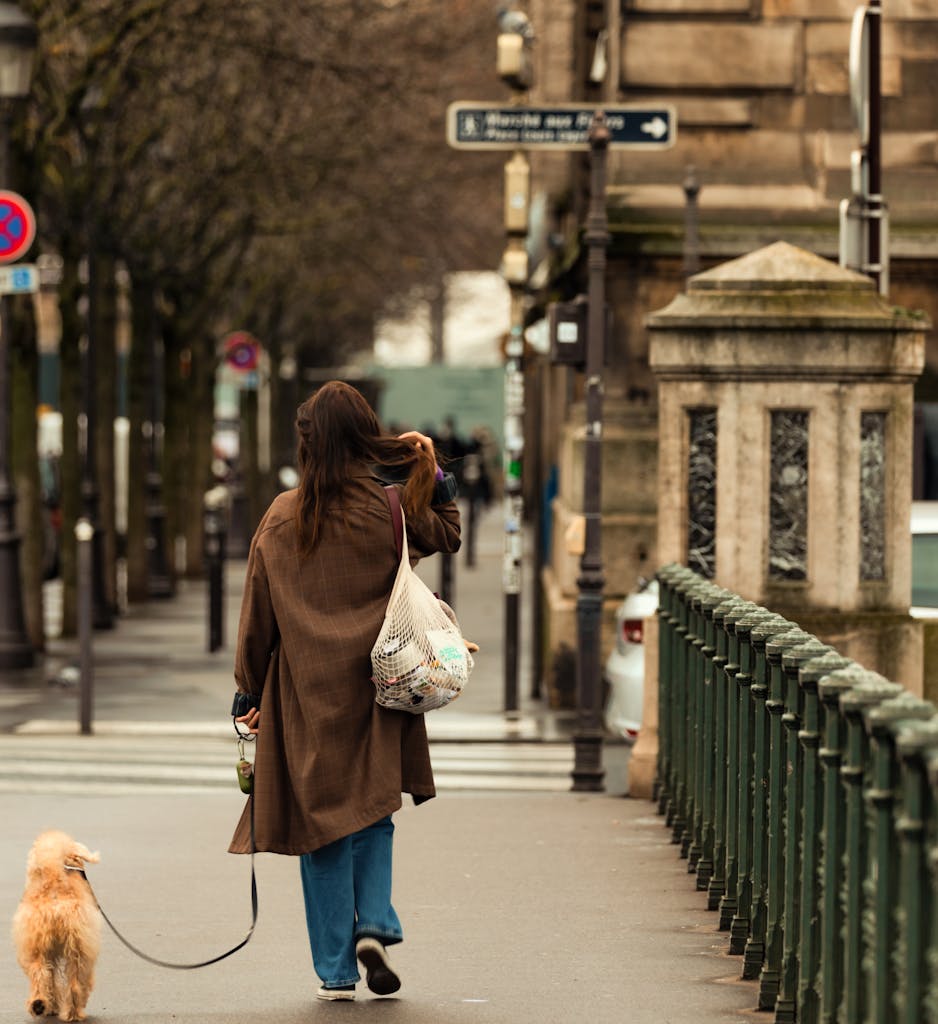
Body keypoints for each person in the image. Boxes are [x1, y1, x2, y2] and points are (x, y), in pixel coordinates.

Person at [229, 380, 461, 1002]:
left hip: (304, 694)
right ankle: (377, 923)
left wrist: (247, 691)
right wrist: (431, 468)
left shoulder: (282, 515)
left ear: (307, 443)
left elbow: (258, 615)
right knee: (375, 809)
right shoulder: (387, 509)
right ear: (365, 437)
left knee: (322, 827)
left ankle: (335, 968)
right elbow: (448, 534)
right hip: (381, 685)